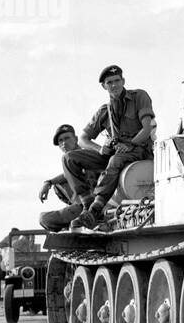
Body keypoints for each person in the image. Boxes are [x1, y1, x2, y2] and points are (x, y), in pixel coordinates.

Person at [66, 66, 156, 230]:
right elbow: (84, 138)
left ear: (123, 81)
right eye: (109, 82)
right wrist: (100, 149)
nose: (114, 85)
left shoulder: (139, 97)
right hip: (116, 152)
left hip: (140, 149)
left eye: (117, 81)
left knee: (115, 160)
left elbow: (147, 128)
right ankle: (87, 203)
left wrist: (130, 144)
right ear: (104, 86)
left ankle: (95, 210)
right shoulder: (104, 111)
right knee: (69, 158)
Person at [39, 124, 91, 232]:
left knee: (44, 218)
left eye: (67, 138)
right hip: (81, 203)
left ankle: (78, 219)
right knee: (57, 185)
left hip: (91, 204)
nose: (64, 143)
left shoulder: (85, 154)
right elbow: (65, 175)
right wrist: (48, 183)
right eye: (60, 141)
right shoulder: (71, 159)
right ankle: (72, 221)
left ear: (76, 139)